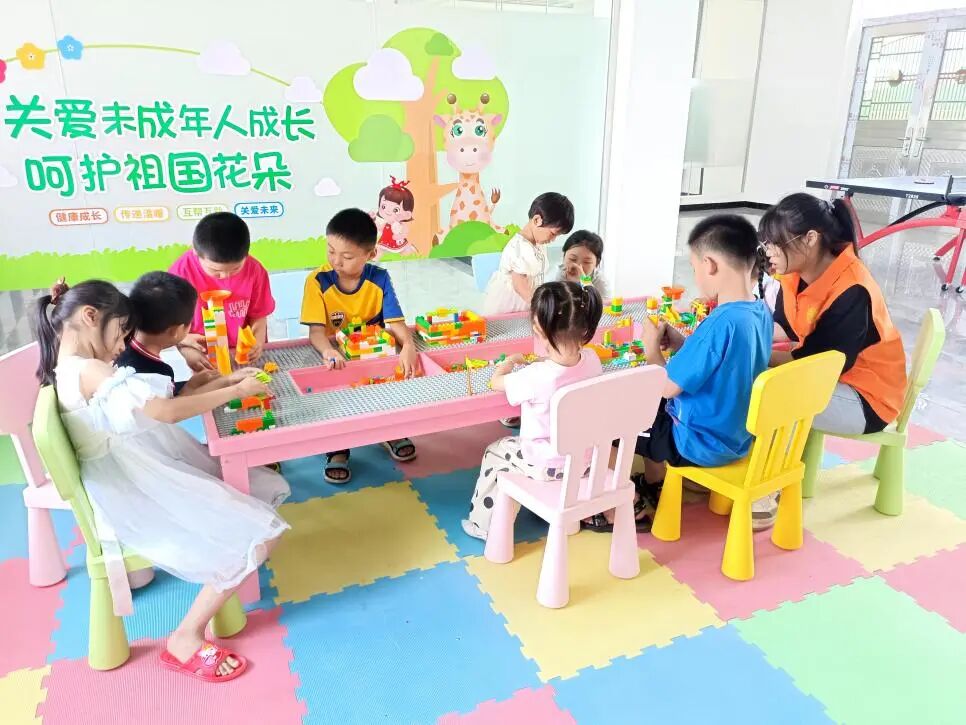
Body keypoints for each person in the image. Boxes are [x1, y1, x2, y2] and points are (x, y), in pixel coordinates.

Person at [35, 279, 287, 682]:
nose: (122, 346)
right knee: (262, 533)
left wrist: (220, 383)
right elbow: (165, 413)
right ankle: (185, 636)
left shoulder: (65, 362)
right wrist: (235, 390)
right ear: (90, 317)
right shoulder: (91, 369)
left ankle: (209, 601)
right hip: (129, 484)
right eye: (121, 333)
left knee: (244, 491)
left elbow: (155, 406)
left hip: (127, 468)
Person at [584, 215, 774, 530]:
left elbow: (666, 387)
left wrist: (651, 350)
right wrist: (682, 343)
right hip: (734, 437)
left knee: (604, 419)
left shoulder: (721, 322)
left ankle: (625, 506)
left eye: (694, 267)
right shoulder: (758, 311)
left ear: (710, 265)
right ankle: (656, 483)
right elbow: (724, 363)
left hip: (695, 442)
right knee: (644, 407)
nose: (696, 276)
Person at [116, 271, 290, 507]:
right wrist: (237, 390)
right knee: (264, 489)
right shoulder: (149, 369)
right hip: (148, 453)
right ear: (177, 331)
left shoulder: (126, 347)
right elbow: (173, 410)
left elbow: (178, 399)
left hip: (150, 440)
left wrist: (228, 380)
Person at [464, 280, 612, 540]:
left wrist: (507, 364)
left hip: (547, 463)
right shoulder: (593, 361)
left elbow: (496, 383)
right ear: (585, 326)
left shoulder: (535, 376)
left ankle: (484, 527)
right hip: (586, 461)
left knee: (495, 452)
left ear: (538, 329)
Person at [760, 193, 906, 436]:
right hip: (828, 376)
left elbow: (817, 363)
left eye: (776, 243)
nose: (769, 252)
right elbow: (784, 328)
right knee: (745, 377)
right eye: (766, 243)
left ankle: (768, 461)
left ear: (810, 238)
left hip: (866, 398)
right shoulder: (793, 275)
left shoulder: (853, 289)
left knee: (757, 389)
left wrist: (753, 353)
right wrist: (739, 334)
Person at [300, 208, 420, 483]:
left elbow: (396, 321)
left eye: (347, 256)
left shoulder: (379, 278)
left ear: (371, 253)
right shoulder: (317, 281)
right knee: (337, 398)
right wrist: (328, 350)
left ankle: (389, 431)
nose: (336, 261)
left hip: (373, 353)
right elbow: (316, 332)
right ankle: (338, 447)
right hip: (337, 355)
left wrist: (408, 346)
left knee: (386, 386)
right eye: (331, 251)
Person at [169, 212, 275, 371]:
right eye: (215, 271)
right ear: (196, 252)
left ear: (246, 254)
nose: (225, 276)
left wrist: (258, 341)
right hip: (201, 350)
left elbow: (259, 314)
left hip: (241, 351)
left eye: (235, 269)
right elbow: (167, 327)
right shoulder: (179, 274)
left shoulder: (255, 270)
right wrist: (183, 342)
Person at [482, 192, 575, 315]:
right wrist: (539, 306)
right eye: (553, 234)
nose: (553, 239)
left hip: (527, 300)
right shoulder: (519, 247)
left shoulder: (539, 244)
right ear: (537, 220)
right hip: (511, 304)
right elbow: (519, 285)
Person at [556, 230, 609, 298]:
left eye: (587, 262)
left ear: (596, 263)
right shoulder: (556, 275)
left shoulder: (600, 282)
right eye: (572, 259)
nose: (578, 266)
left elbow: (601, 303)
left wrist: (584, 280)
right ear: (564, 257)